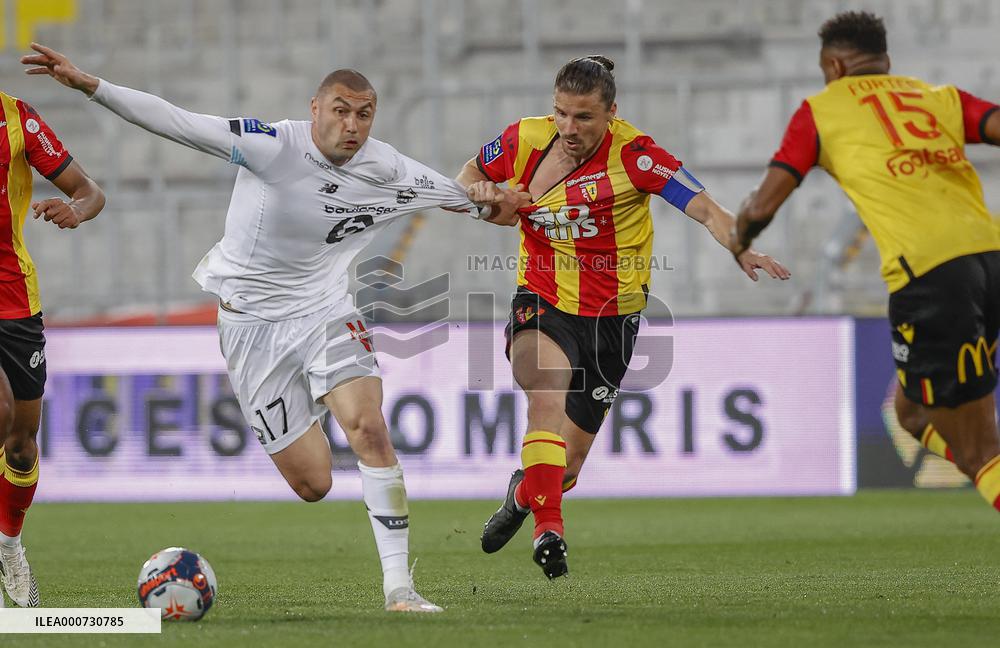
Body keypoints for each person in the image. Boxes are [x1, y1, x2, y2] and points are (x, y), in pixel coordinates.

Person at [22, 42, 521, 612]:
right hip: (250, 327)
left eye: (363, 113)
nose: (351, 124)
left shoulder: (387, 168)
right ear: (314, 109)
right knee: (314, 484)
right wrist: (91, 85)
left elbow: (478, 204)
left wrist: (493, 198)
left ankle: (399, 589)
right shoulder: (271, 145)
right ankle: (313, 410)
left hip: (326, 312)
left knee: (369, 428)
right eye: (339, 109)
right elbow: (177, 122)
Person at [457, 55, 790, 579]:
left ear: (612, 113)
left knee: (565, 468)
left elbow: (705, 207)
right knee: (542, 392)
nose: (569, 129)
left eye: (583, 117)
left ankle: (524, 496)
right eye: (561, 114)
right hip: (542, 297)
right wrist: (483, 196)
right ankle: (550, 531)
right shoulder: (523, 138)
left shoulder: (636, 156)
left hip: (613, 318)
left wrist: (740, 246)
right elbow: (471, 176)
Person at [734, 11, 1000, 511]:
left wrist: (738, 235)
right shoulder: (939, 97)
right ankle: (982, 465)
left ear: (833, 66)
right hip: (991, 255)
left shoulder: (821, 109)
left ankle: (985, 466)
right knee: (911, 414)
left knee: (983, 450)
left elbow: (764, 206)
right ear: (886, 61)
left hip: (932, 273)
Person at [0, 85, 105, 607]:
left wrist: (76, 211)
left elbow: (90, 191)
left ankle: (10, 547)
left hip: (15, 300)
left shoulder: (17, 120)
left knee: (21, 443)